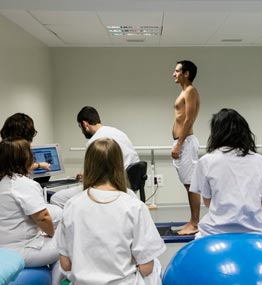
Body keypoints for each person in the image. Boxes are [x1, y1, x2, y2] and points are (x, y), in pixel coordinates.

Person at [55, 138, 166, 285]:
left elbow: (65, 264)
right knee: (156, 267)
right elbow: (147, 268)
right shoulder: (134, 206)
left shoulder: (71, 205)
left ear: (88, 166)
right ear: (119, 166)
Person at [190, 108, 262, 238]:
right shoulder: (260, 160)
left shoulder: (206, 161)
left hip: (215, 231)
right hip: (255, 230)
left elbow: (207, 201)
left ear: (216, 133)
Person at [0, 139, 63, 285]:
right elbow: (42, 218)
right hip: (20, 250)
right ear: (25, 159)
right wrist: (52, 234)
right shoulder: (22, 184)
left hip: (4, 246)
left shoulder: (3, 181)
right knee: (68, 242)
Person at [50, 106, 139, 208]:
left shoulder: (94, 142)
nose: (82, 131)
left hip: (108, 187)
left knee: (57, 198)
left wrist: (86, 177)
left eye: (80, 127)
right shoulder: (118, 133)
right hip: (127, 183)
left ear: (85, 124)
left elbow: (96, 178)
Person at [0, 112, 62, 227]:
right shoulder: (21, 183)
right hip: (18, 214)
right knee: (60, 211)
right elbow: (42, 217)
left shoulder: (4, 150)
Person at [172, 60, 201, 235]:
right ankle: (192, 221)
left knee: (191, 184)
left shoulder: (190, 91)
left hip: (186, 142)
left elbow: (189, 119)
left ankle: (195, 223)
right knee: (187, 184)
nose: (173, 74)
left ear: (186, 73)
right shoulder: (184, 92)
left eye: (177, 71)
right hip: (182, 141)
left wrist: (179, 143)